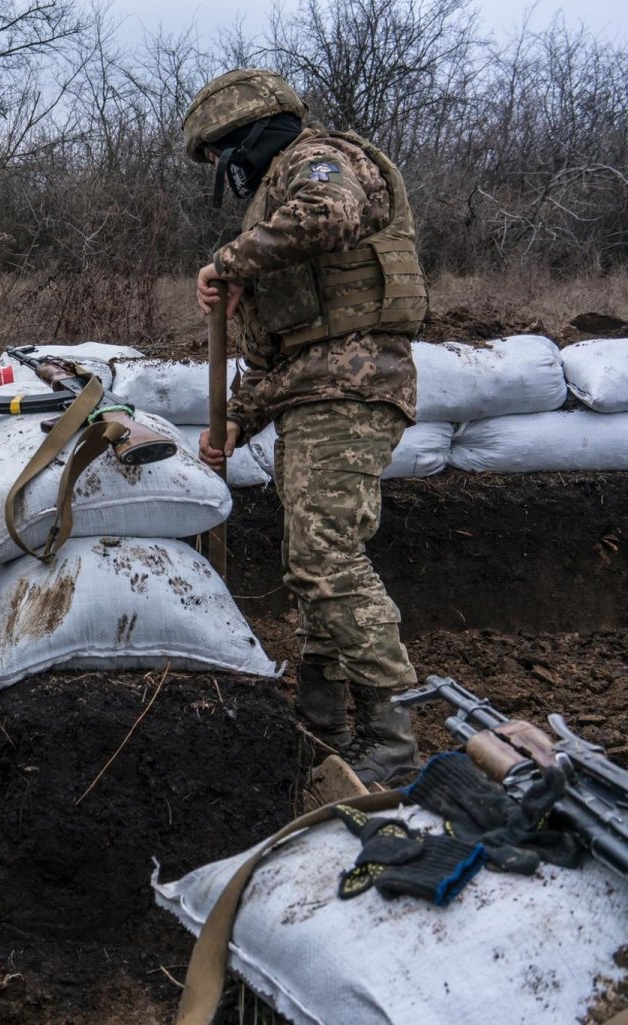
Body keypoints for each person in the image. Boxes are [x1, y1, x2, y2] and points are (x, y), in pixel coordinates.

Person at [183, 69, 428, 786]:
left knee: (325, 558)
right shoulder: (272, 204)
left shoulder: (317, 163)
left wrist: (227, 260)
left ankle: (393, 734)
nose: (225, 176)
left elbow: (333, 213)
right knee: (310, 561)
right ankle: (321, 724)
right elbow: (286, 353)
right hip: (313, 395)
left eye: (222, 159)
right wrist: (234, 421)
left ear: (245, 139)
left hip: (353, 392)